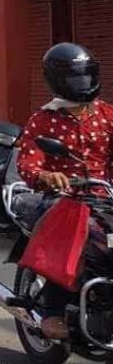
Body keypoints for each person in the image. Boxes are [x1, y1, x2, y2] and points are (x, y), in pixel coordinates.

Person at [16, 42, 113, 340]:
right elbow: (28, 164)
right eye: (74, 78)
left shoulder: (108, 115)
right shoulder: (43, 120)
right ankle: (53, 311)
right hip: (65, 197)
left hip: (106, 197)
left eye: (85, 76)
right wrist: (48, 175)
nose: (81, 84)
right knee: (73, 232)